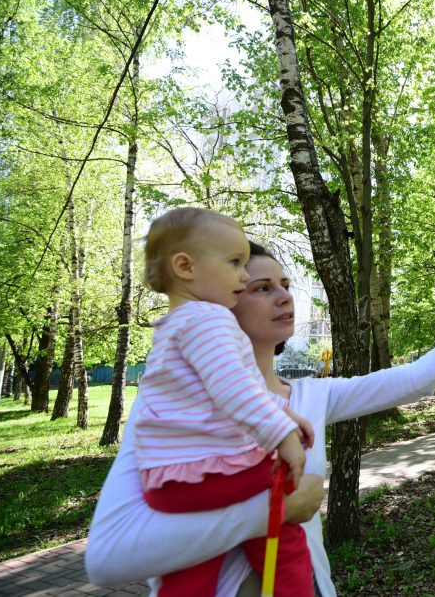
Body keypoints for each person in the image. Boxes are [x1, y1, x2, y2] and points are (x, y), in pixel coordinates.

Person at [86, 241, 435, 596]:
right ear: (222, 304)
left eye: (286, 286)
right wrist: (272, 514)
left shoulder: (311, 395)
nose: (285, 298)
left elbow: (418, 379)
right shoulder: (172, 409)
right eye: (262, 288)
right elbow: (107, 560)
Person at [133, 208, 315, 596]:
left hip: (167, 481)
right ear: (186, 266)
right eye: (234, 263)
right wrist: (282, 431)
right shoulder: (209, 319)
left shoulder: (171, 326)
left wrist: (283, 412)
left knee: (189, 570)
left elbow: (216, 396)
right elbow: (233, 388)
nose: (243, 274)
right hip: (217, 474)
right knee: (286, 542)